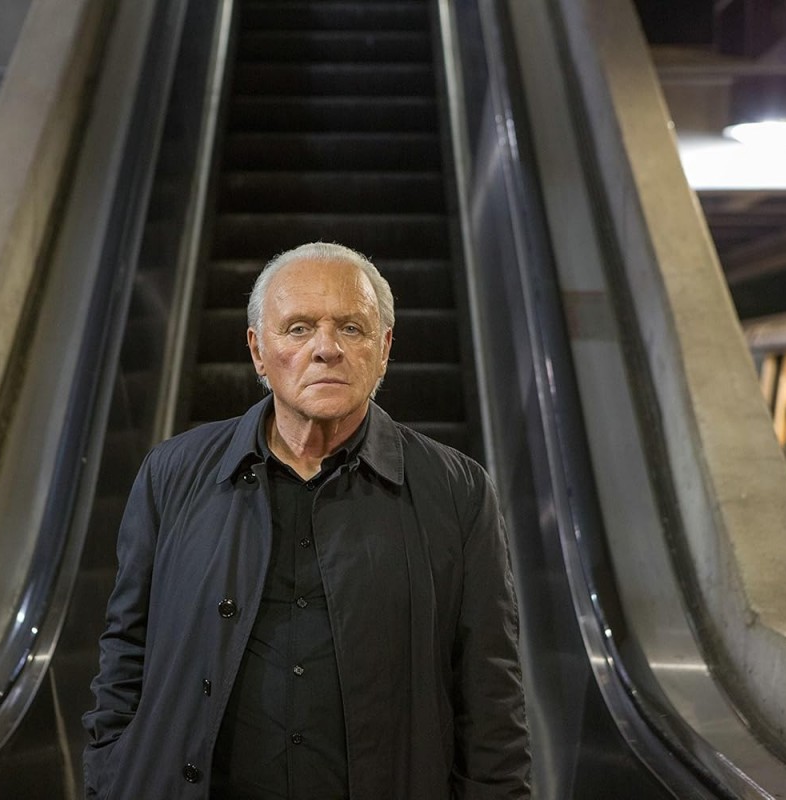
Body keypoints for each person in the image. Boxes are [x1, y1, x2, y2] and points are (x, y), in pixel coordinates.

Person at [83, 242, 531, 799]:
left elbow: (491, 694)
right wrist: (109, 773)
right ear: (257, 350)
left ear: (384, 348)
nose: (326, 349)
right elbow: (126, 649)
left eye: (351, 328)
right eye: (298, 329)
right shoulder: (171, 473)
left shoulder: (458, 491)